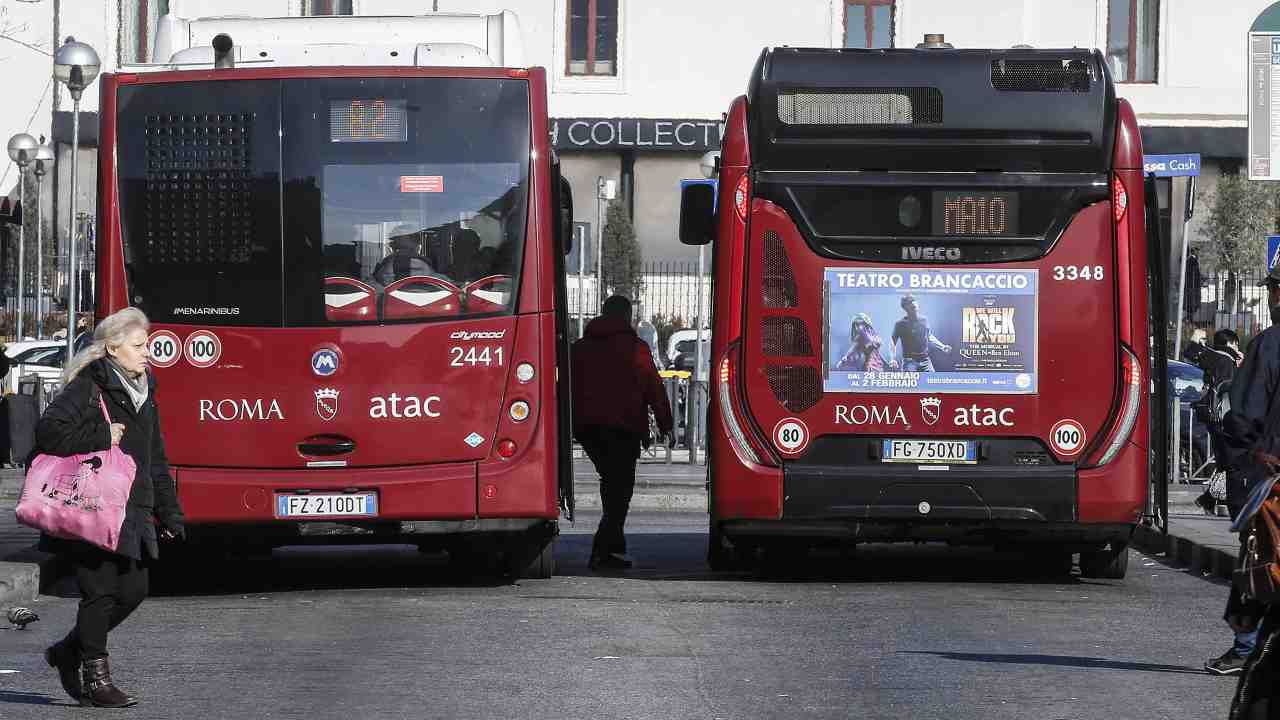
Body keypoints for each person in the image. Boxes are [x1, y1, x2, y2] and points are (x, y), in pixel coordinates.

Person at [35, 307, 185, 708]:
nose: (147, 351)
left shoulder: (144, 388)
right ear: (113, 348)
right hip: (92, 507)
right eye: (139, 345)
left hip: (131, 511)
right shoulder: (89, 386)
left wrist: (169, 511)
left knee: (134, 590)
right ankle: (96, 681)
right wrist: (103, 434)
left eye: (148, 344)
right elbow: (48, 432)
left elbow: (155, 456)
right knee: (99, 592)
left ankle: (68, 651)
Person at [571, 295, 673, 570]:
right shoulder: (636, 348)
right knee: (620, 489)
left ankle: (613, 546)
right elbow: (654, 389)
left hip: (588, 429)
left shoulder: (580, 348)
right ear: (627, 316)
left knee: (611, 482)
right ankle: (602, 550)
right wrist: (666, 425)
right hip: (624, 428)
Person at [1213, 267, 1280, 681]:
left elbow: (1243, 415)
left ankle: (1247, 647)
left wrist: (1236, 456)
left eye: (1272, 289)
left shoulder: (1270, 346)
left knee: (1260, 559)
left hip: (1272, 476)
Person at [892, 294, 952, 372]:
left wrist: (942, 346)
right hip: (909, 362)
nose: (913, 304)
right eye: (909, 303)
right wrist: (892, 359)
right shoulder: (900, 324)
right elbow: (893, 342)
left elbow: (929, 336)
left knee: (932, 382)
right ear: (905, 307)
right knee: (912, 383)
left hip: (925, 361)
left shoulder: (924, 320)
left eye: (913, 301)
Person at [371, 224, 439, 286]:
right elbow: (444, 284)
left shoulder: (386, 264)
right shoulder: (427, 265)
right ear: (418, 244)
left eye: (393, 240)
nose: (390, 244)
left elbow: (372, 285)